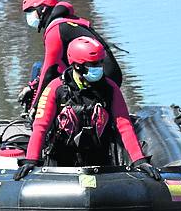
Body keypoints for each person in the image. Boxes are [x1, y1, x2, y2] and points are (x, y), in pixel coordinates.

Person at [14, 37, 160, 181]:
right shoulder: (55, 88)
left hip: (99, 162)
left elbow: (124, 125)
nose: (99, 68)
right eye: (93, 64)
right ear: (77, 65)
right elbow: (40, 126)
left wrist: (139, 161)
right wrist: (31, 160)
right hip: (60, 164)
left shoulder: (110, 88)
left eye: (100, 63)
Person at [18, 0, 123, 115]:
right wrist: (32, 86)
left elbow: (50, 71)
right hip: (108, 74)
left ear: (43, 8)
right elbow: (56, 66)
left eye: (31, 11)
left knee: (43, 71)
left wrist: (36, 106)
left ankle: (45, 121)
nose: (29, 16)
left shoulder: (56, 29)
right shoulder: (67, 22)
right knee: (39, 67)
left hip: (101, 78)